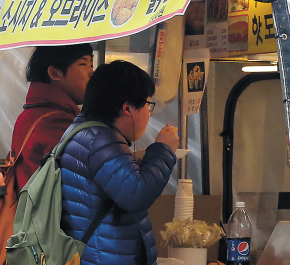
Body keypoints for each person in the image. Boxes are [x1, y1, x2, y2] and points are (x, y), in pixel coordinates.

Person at [59, 60, 179, 265]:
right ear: (128, 108)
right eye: (148, 104)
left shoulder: (82, 132)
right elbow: (135, 193)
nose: (149, 113)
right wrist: (163, 149)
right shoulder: (101, 140)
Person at [11, 44, 94, 191]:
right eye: (83, 64)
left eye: (91, 65)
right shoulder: (56, 122)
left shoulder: (31, 114)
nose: (91, 73)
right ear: (55, 73)